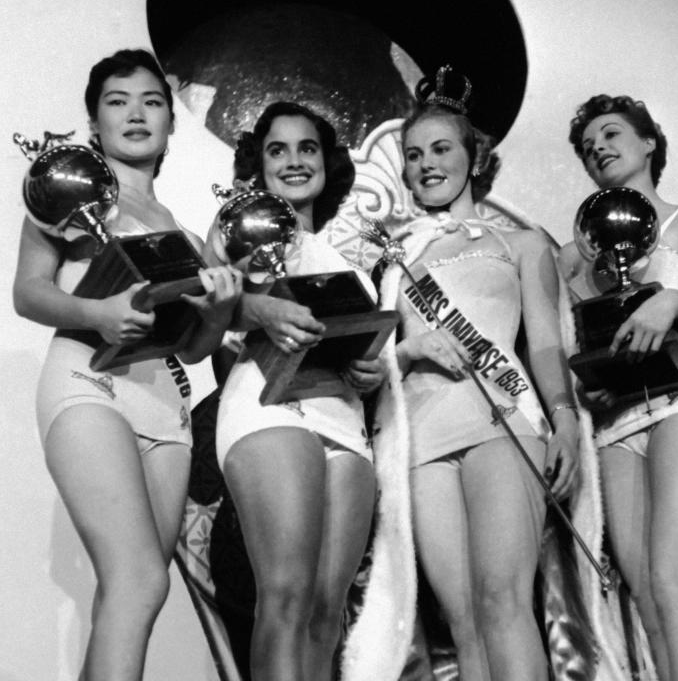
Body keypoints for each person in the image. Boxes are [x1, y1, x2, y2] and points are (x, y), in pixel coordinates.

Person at [13, 48, 242, 681]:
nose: (136, 113)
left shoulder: (184, 233)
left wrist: (219, 314)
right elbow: (27, 291)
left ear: (171, 121)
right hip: (88, 382)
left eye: (151, 101)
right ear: (95, 125)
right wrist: (100, 313)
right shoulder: (69, 197)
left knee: (136, 594)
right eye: (118, 102)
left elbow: (193, 349)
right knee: (138, 580)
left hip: (166, 409)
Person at [365, 71, 580, 681]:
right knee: (460, 620)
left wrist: (564, 420)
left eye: (441, 149)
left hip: (502, 422)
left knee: (503, 602)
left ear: (473, 157)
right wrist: (410, 349)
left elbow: (544, 344)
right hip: (423, 438)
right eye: (414, 154)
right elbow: (379, 357)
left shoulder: (520, 242)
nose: (427, 164)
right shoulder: (394, 258)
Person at [559, 94, 678, 681]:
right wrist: (590, 389)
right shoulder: (574, 254)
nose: (599, 149)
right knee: (649, 604)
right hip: (616, 425)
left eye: (611, 135)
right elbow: (579, 348)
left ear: (649, 142)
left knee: (676, 581)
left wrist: (670, 301)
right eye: (589, 148)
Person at [208, 101, 383, 681]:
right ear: (258, 163)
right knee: (284, 596)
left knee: (325, 615)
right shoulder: (239, 226)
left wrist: (373, 371)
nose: (293, 161)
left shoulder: (353, 255)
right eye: (276, 150)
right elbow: (204, 311)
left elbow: (362, 342)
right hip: (268, 406)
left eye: (306, 148)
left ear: (327, 162)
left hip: (346, 420)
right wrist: (260, 306)